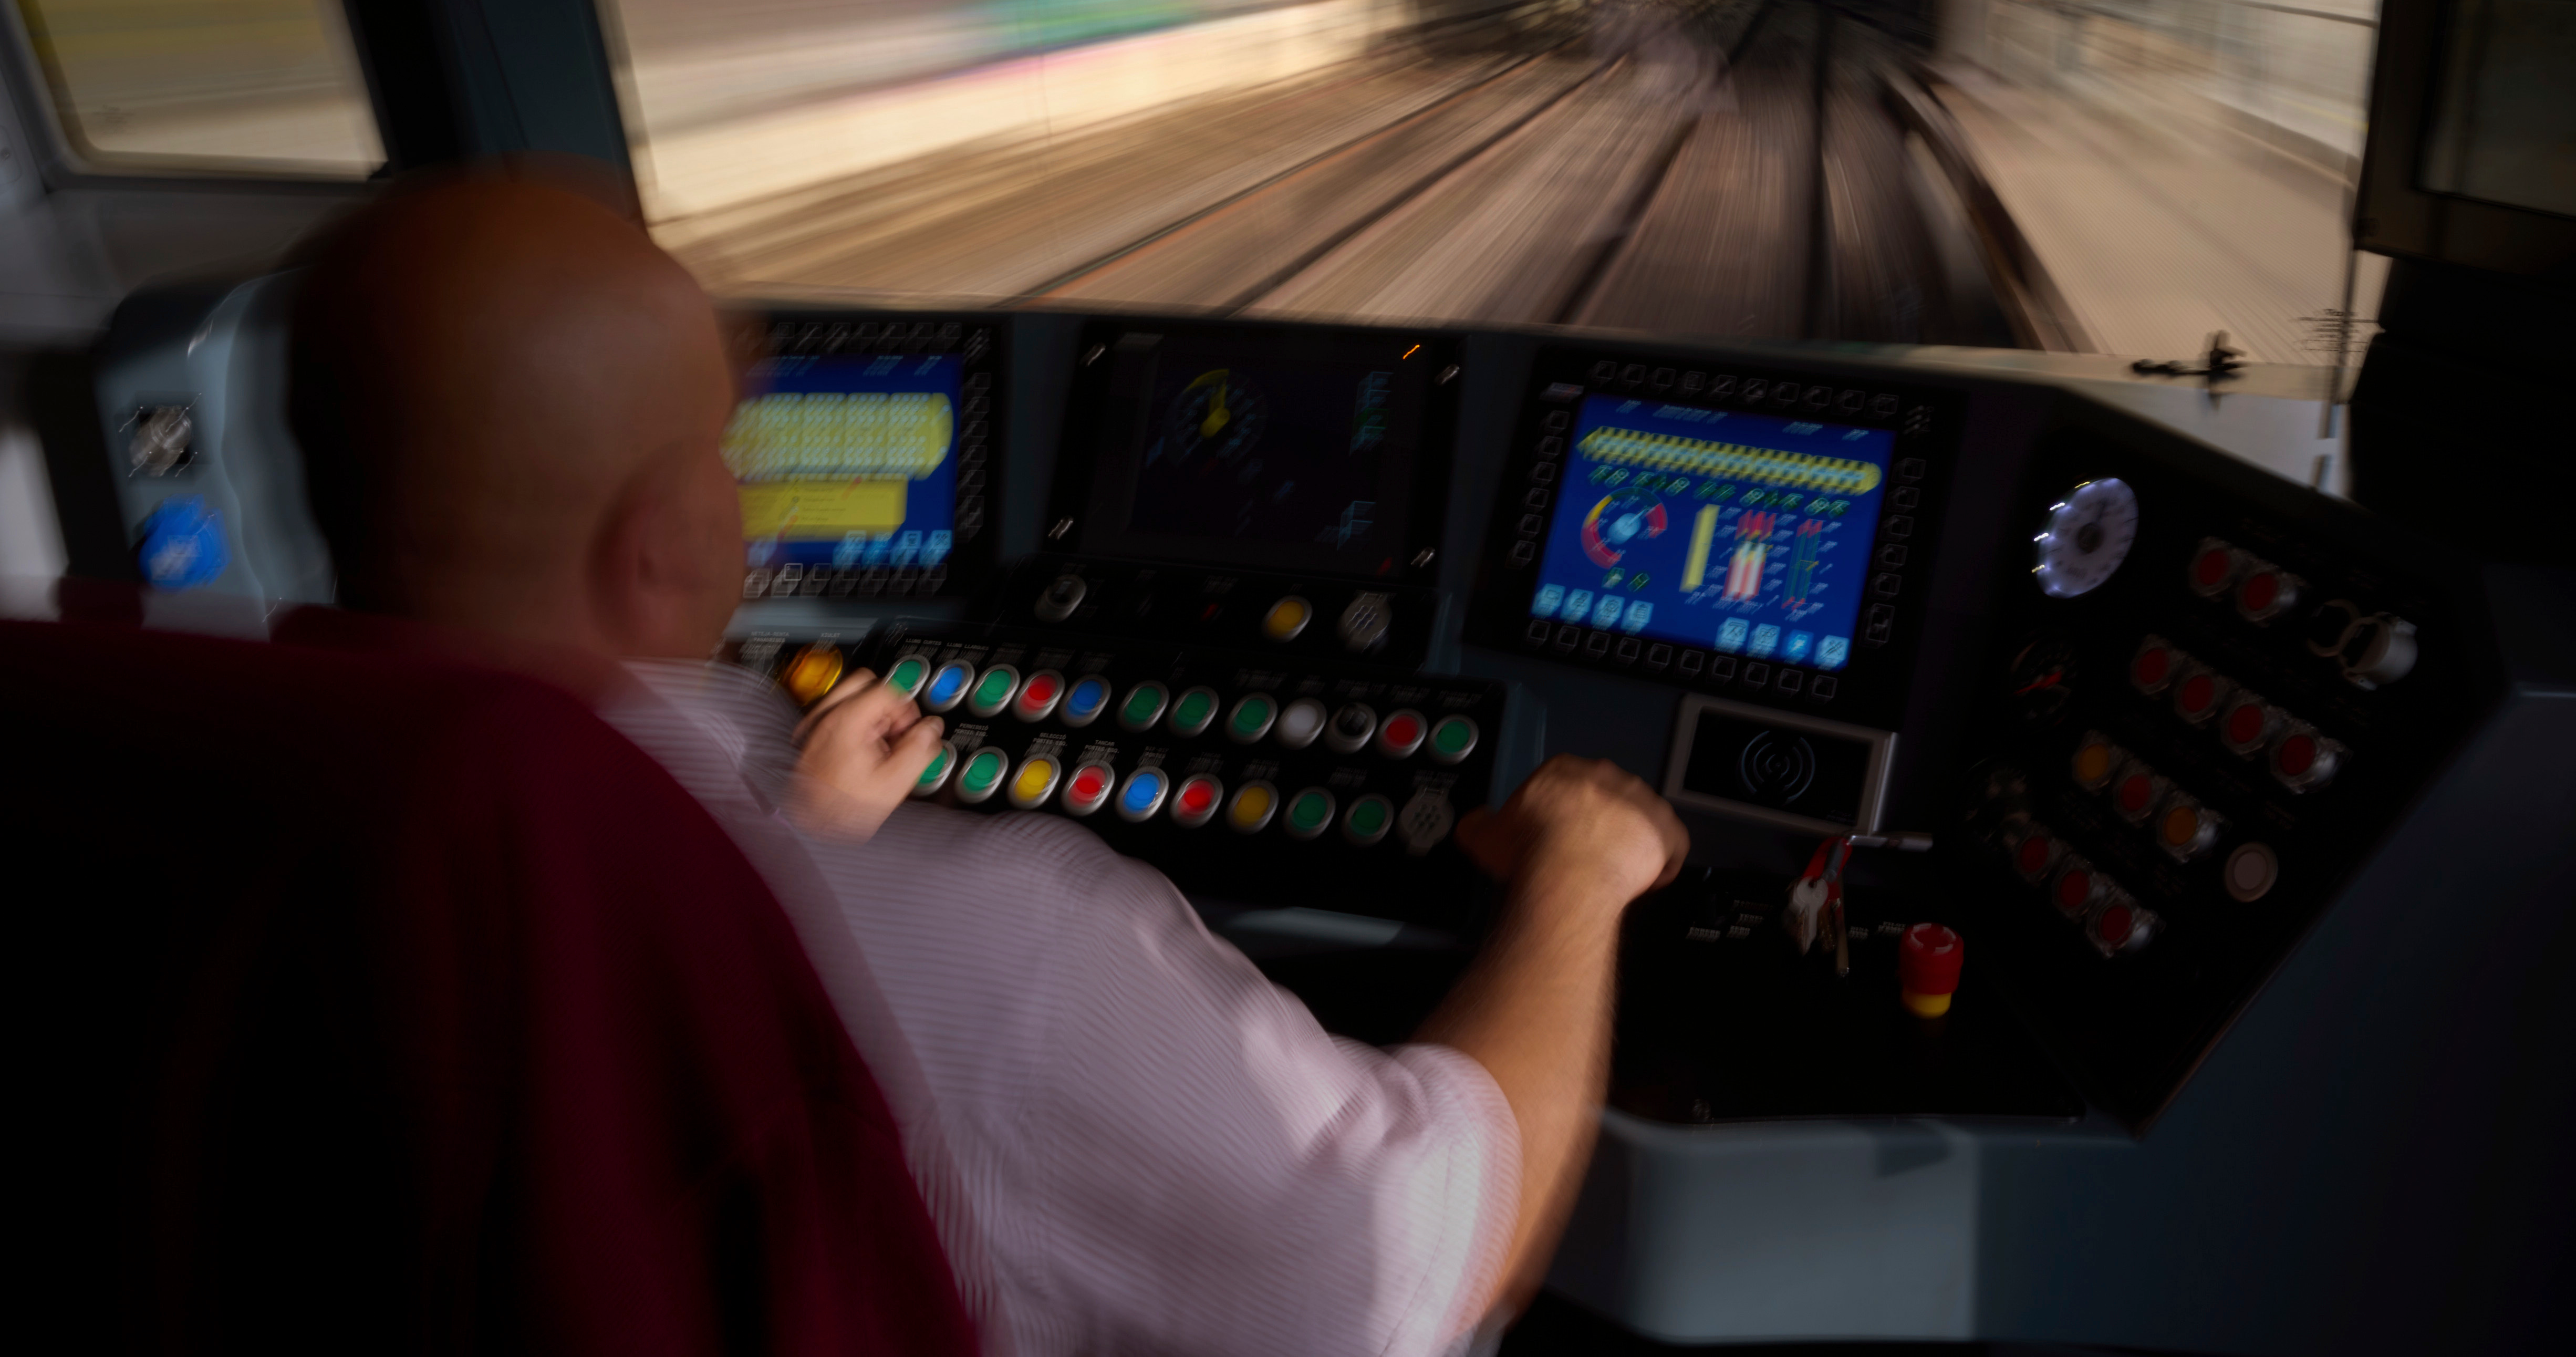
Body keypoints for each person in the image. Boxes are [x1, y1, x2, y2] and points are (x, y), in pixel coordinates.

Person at [286, 161, 1689, 1357]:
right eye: (719, 447)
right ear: (659, 537)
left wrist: (800, 841)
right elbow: (1424, 1263)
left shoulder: (232, 817)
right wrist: (1580, 872)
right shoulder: (1009, 939)